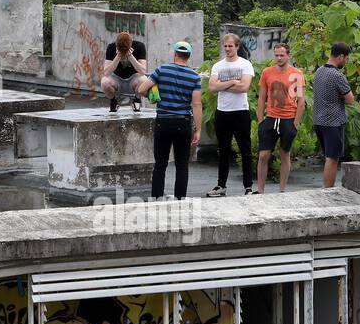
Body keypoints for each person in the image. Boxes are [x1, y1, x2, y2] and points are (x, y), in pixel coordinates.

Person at [137, 41, 202, 199]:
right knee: (181, 165)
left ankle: (157, 199)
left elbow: (141, 89)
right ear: (188, 56)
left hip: (163, 121)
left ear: (175, 54)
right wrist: (198, 129)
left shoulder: (162, 70)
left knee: (160, 164)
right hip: (183, 122)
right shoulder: (194, 77)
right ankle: (180, 200)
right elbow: (197, 103)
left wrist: (152, 96)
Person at [207, 33, 256, 196]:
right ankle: (221, 185)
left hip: (240, 111)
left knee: (245, 150)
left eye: (231, 46)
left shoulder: (245, 64)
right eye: (225, 46)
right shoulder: (217, 66)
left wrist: (222, 85)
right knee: (223, 150)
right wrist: (233, 82)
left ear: (237, 46)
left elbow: (244, 87)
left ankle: (248, 187)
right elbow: (212, 88)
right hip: (223, 112)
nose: (227, 49)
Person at [255, 42, 305, 193]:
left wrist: (296, 122)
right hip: (270, 118)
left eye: (282, 55)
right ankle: (260, 190)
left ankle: (282, 190)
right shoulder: (267, 72)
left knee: (285, 153)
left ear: (288, 56)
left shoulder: (297, 73)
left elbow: (301, 99)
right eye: (276, 55)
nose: (279, 58)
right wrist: (260, 121)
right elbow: (261, 97)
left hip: (288, 118)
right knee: (263, 155)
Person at [311, 42, 356, 188]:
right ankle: (328, 191)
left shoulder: (319, 71)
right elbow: (350, 100)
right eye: (346, 58)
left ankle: (327, 189)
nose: (346, 62)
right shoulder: (337, 75)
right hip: (333, 122)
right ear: (341, 56)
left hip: (318, 120)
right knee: (332, 158)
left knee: (328, 157)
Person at [101, 31, 148, 112]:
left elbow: (143, 71)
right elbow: (106, 73)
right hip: (117, 80)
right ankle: (113, 101)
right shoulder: (111, 47)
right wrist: (118, 56)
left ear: (131, 44)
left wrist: (130, 56)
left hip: (133, 79)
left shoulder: (139, 46)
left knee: (144, 80)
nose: (123, 51)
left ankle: (137, 100)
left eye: (125, 49)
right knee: (104, 82)